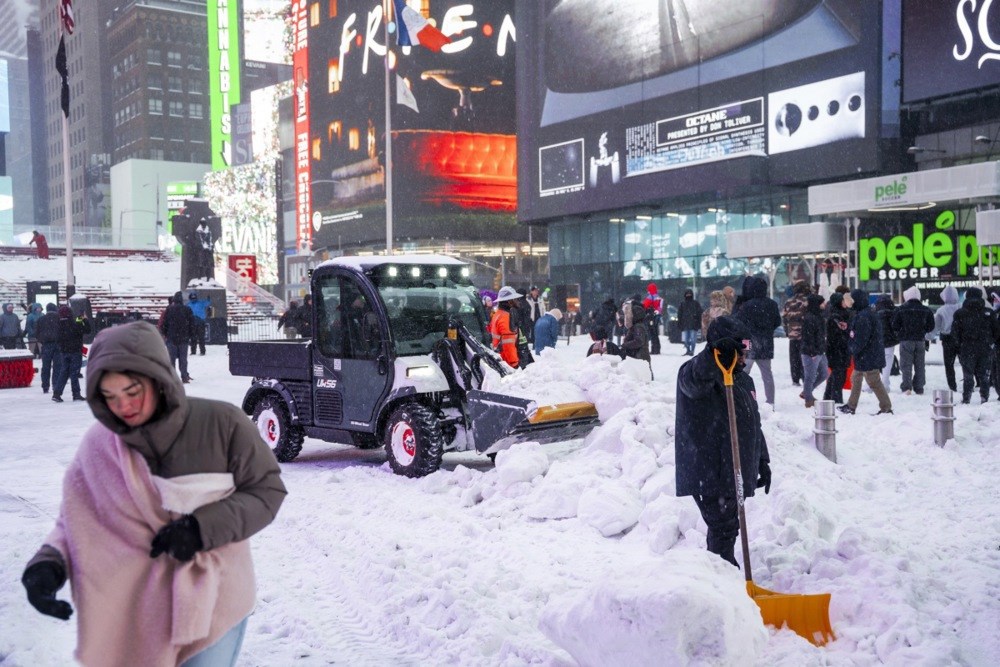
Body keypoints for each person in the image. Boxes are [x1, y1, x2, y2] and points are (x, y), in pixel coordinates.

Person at [21, 321, 287, 667]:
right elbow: (76, 520)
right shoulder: (99, 446)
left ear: (158, 378)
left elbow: (266, 491)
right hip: (135, 608)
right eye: (110, 397)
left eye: (132, 392)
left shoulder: (223, 424)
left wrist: (200, 529)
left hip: (216, 600)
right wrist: (49, 564)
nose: (124, 407)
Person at [675, 316, 770, 567]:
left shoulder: (743, 380)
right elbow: (693, 382)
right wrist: (712, 356)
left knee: (728, 526)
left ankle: (720, 576)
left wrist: (762, 461)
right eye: (740, 352)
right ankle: (723, 574)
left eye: (746, 351)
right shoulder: (697, 372)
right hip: (710, 468)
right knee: (723, 526)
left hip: (732, 467)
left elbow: (753, 423)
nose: (744, 358)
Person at [839, 289, 892, 415]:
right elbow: (859, 334)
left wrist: (852, 348)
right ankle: (851, 406)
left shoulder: (863, 316)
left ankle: (886, 407)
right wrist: (848, 329)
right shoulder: (865, 313)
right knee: (856, 378)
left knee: (873, 381)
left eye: (852, 300)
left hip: (867, 355)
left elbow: (861, 338)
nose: (850, 303)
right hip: (868, 354)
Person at [734, 276, 781, 409]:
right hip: (766, 342)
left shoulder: (747, 305)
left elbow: (739, 322)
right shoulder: (772, 304)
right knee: (767, 373)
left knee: (743, 371)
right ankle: (770, 401)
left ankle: (742, 396)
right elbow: (777, 322)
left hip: (748, 342)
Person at [951, 287, 998, 404]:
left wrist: (960, 344)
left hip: (967, 348)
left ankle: (967, 397)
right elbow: (997, 331)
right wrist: (990, 341)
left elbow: (955, 332)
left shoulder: (960, 313)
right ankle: (984, 396)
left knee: (968, 374)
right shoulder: (989, 312)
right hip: (985, 347)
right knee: (984, 375)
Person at [891, 286, 935, 395]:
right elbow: (931, 326)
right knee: (920, 365)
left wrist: (901, 333)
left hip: (906, 340)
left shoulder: (900, 309)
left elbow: (894, 325)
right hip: (920, 340)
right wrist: (922, 330)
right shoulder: (926, 310)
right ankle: (919, 387)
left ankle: (907, 387)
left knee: (906, 365)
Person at [51, 305, 91, 403]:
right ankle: (76, 394)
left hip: (64, 352)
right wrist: (84, 319)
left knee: (63, 372)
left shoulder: (58, 324)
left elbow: (57, 338)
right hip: (75, 351)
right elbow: (87, 330)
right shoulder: (74, 323)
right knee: (74, 373)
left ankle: (57, 393)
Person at [799, 294, 829, 408]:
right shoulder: (810, 318)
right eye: (822, 303)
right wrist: (812, 352)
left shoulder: (819, 316)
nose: (824, 305)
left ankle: (807, 392)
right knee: (810, 377)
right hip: (811, 352)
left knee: (824, 373)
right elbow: (808, 337)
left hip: (820, 350)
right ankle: (808, 399)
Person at [823, 292, 852, 405]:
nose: (845, 303)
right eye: (843, 301)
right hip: (837, 350)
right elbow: (840, 334)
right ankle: (836, 398)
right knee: (839, 375)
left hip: (839, 349)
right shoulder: (836, 317)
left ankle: (829, 396)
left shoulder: (841, 314)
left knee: (837, 374)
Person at [158, 295, 194, 383]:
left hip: (171, 337)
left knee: (171, 359)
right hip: (183, 338)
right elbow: (192, 324)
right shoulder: (187, 309)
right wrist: (190, 334)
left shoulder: (169, 309)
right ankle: (184, 376)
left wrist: (166, 334)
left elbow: (164, 324)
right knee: (183, 359)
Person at [781, 281, 811, 386]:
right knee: (805, 357)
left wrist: (787, 331)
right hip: (806, 334)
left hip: (793, 334)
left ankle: (795, 378)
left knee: (794, 358)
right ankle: (805, 376)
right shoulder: (809, 302)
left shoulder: (788, 302)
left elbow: (784, 318)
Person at [934, 285, 961, 393]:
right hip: (960, 337)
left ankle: (952, 385)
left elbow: (936, 327)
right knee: (965, 362)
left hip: (947, 339)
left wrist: (928, 336)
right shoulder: (961, 307)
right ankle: (969, 381)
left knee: (949, 365)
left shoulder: (941, 310)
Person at [490, 286, 522, 368]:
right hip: (507, 362)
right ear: (509, 301)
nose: (517, 301)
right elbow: (508, 344)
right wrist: (514, 364)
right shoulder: (506, 317)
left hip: (500, 358)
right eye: (514, 299)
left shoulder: (498, 314)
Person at [874, 294, 900, 394]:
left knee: (875, 364)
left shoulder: (874, 312)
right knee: (888, 364)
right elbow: (896, 326)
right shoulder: (894, 311)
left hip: (877, 341)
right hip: (889, 342)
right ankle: (885, 383)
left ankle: (871, 384)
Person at [36, 303, 62, 394]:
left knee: (46, 367)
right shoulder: (59, 319)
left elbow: (37, 333)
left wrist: (42, 340)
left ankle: (45, 386)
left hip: (46, 345)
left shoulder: (41, 319)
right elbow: (63, 331)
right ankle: (56, 385)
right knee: (57, 366)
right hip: (58, 344)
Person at [676, 288, 703, 356]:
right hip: (686, 324)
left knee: (692, 339)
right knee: (686, 340)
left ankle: (692, 351)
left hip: (693, 324)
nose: (688, 295)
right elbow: (679, 314)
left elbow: (699, 313)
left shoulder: (695, 303)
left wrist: (698, 322)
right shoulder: (683, 304)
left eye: (689, 294)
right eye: (687, 294)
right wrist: (680, 323)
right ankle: (688, 350)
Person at [187, 291, 212, 356]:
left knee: (199, 338)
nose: (193, 299)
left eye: (194, 297)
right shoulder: (188, 304)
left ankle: (201, 351)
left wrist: (208, 299)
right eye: (192, 297)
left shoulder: (200, 303)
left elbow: (208, 303)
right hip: (194, 323)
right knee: (195, 338)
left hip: (199, 322)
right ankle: (194, 351)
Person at [643, 283, 664, 354]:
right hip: (657, 316)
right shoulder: (658, 297)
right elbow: (659, 308)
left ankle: (654, 349)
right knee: (655, 333)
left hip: (651, 317)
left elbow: (645, 305)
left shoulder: (650, 297)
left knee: (652, 333)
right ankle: (657, 348)